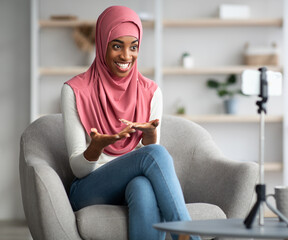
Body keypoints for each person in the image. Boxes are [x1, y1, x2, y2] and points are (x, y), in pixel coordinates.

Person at [61, 6, 200, 240]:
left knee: (142, 186)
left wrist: (148, 138)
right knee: (155, 154)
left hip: (132, 184)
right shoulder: (75, 90)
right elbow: (78, 168)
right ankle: (186, 235)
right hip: (89, 188)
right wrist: (95, 148)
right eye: (117, 46)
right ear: (102, 42)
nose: (126, 56)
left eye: (133, 47)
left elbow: (149, 166)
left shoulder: (151, 92)